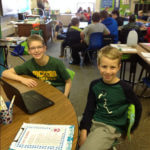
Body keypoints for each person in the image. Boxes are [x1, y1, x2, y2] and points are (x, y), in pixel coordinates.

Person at [78, 46, 142, 150]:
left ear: (118, 67)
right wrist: (84, 130)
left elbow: (138, 107)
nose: (108, 71)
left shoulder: (125, 88)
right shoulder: (94, 85)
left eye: (112, 67)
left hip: (109, 126)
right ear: (98, 66)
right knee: (66, 128)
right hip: (94, 118)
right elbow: (89, 108)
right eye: (104, 66)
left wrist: (130, 130)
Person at [2, 34, 71, 97]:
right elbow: (5, 73)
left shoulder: (57, 63)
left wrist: (65, 96)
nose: (36, 51)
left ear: (44, 48)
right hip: (43, 88)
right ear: (29, 51)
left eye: (39, 47)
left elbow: (68, 81)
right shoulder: (29, 64)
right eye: (33, 48)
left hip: (58, 87)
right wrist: (22, 79)